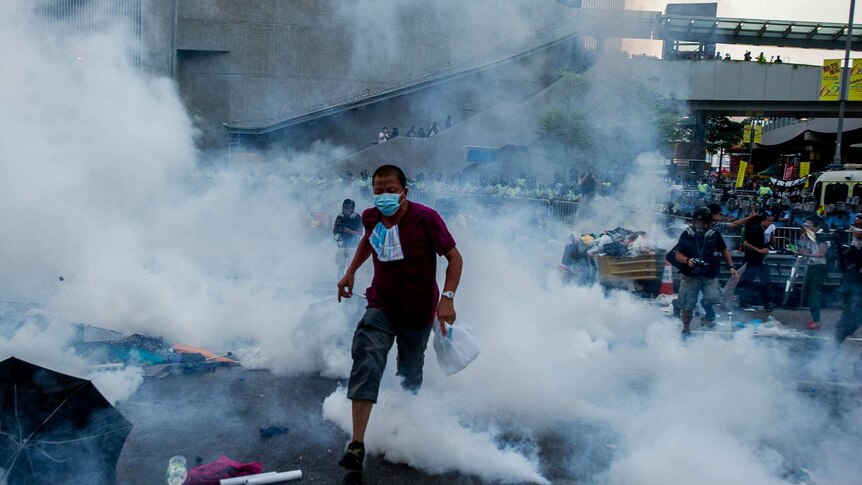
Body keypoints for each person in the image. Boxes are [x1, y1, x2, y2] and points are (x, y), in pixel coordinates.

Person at [335, 164, 464, 472]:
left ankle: (409, 429)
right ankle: (356, 445)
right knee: (367, 359)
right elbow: (369, 240)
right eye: (378, 191)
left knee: (409, 374)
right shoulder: (371, 217)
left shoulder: (426, 219)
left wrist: (447, 299)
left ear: (405, 191)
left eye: (390, 190)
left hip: (418, 313)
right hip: (381, 305)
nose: (384, 196)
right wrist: (350, 272)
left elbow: (455, 258)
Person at [672, 207, 738, 336]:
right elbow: (677, 254)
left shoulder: (714, 235)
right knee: (687, 305)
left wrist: (732, 267)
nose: (699, 225)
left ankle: (706, 310)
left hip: (708, 274)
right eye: (696, 221)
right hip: (690, 275)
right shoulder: (687, 234)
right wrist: (687, 260)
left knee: (715, 297)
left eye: (702, 222)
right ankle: (686, 328)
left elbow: (724, 251)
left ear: (709, 222)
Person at [797, 216, 830, 330]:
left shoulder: (822, 236)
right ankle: (815, 317)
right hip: (812, 266)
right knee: (809, 292)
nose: (806, 227)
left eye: (809, 225)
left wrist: (806, 254)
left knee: (813, 294)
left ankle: (817, 321)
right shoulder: (811, 236)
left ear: (817, 226)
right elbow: (810, 249)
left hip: (819, 267)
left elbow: (822, 253)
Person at [738, 213, 775, 311]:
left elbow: (771, 244)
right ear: (763, 220)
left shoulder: (766, 231)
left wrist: (772, 234)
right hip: (751, 259)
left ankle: (767, 303)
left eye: (772, 221)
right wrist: (759, 250)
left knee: (766, 281)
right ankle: (744, 302)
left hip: (761, 260)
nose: (770, 223)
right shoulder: (754, 228)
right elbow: (746, 243)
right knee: (747, 281)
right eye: (769, 221)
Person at [333, 199, 363, 279]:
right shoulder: (340, 216)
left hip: (353, 246)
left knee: (351, 268)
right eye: (344, 207)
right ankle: (339, 283)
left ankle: (351, 285)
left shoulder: (357, 217)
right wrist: (336, 227)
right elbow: (334, 232)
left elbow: (360, 233)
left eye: (348, 207)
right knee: (340, 267)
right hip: (341, 245)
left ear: (352, 208)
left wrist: (349, 231)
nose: (346, 209)